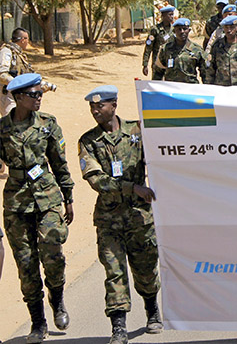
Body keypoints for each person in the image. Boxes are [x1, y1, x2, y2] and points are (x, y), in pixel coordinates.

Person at [78, 85, 161, 344]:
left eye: (99, 106)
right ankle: (119, 327)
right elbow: (95, 179)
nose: (94, 111)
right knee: (114, 272)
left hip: (140, 217)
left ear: (113, 106)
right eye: (91, 107)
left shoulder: (138, 131)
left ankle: (152, 310)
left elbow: (161, 158)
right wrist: (132, 187)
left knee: (146, 269)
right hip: (109, 220)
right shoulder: (88, 142)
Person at [1, 73, 73, 343]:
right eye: (33, 95)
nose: (39, 98)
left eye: (40, 93)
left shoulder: (48, 124)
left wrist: (68, 197)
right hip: (16, 203)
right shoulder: (2, 128)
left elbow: (59, 162)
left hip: (47, 197)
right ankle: (37, 322)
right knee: (27, 265)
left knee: (53, 256)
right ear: (18, 98)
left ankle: (58, 298)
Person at [0, 28, 57, 116]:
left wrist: (40, 85)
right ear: (23, 40)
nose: (28, 42)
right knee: (12, 123)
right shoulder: (6, 51)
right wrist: (18, 85)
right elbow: (2, 75)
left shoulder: (20, 55)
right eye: (27, 39)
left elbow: (27, 75)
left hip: (19, 95)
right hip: (8, 95)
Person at [154, 18, 207, 83]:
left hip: (190, 89)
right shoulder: (166, 49)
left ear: (189, 30)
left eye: (185, 29)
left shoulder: (197, 50)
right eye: (179, 29)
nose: (182, 32)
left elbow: (205, 73)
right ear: (174, 31)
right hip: (171, 89)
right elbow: (158, 72)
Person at [141, 6, 174, 77]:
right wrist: (145, 64)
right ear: (163, 16)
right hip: (157, 62)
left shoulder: (174, 29)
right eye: (170, 15)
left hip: (171, 63)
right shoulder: (155, 29)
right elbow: (148, 48)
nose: (172, 17)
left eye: (172, 14)